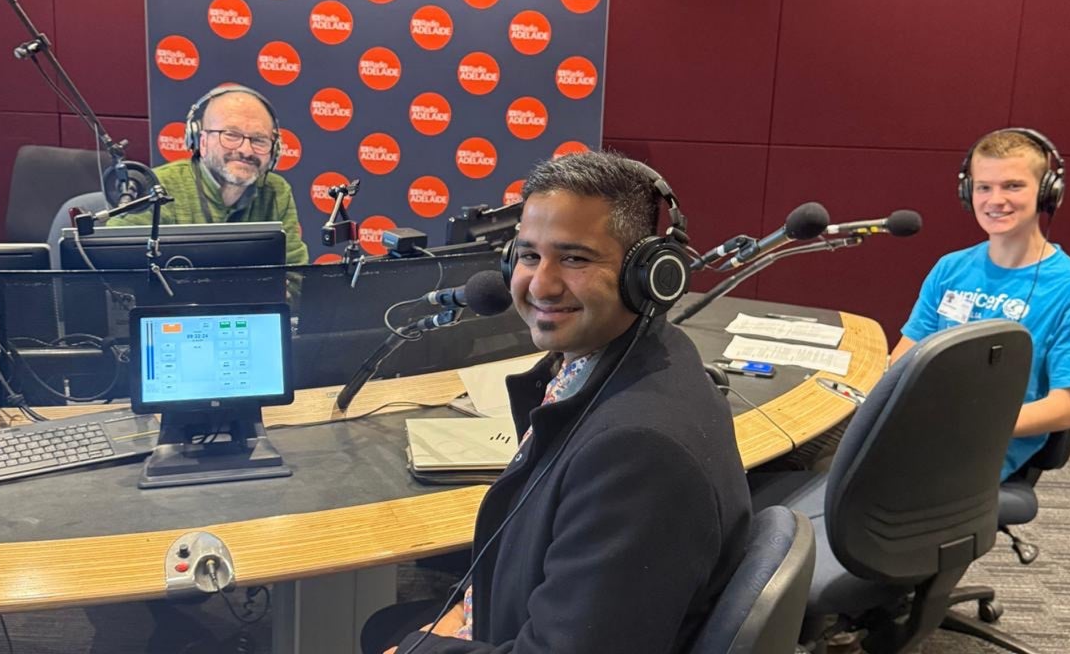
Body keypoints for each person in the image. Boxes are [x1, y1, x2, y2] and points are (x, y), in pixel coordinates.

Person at [367, 151, 752, 654]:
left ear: (650, 276)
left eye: (574, 258)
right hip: (518, 612)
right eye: (529, 256)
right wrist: (466, 605)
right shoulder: (636, 361)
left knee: (381, 634)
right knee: (382, 626)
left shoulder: (637, 453)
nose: (541, 284)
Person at [891, 129, 1070, 480]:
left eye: (1013, 186)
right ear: (967, 193)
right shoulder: (950, 268)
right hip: (917, 431)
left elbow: (1065, 408)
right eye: (984, 187)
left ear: (1047, 193)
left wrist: (967, 426)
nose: (995, 200)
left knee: (846, 496)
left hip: (981, 451)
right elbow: (904, 357)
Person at [106, 84, 308, 265]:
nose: (246, 150)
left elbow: (295, 274)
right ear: (201, 141)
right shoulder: (156, 187)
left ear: (275, 151)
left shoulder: (276, 191)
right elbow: (113, 263)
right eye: (231, 135)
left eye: (259, 140)